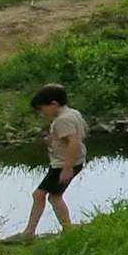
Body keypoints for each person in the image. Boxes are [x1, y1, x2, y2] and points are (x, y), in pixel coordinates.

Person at [12, 83, 87, 241]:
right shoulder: (73, 113)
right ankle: (66, 228)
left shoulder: (62, 120)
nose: (41, 113)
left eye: (42, 109)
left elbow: (73, 143)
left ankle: (29, 233)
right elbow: (81, 133)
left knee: (41, 195)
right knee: (54, 196)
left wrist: (67, 168)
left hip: (63, 165)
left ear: (53, 104)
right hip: (73, 162)